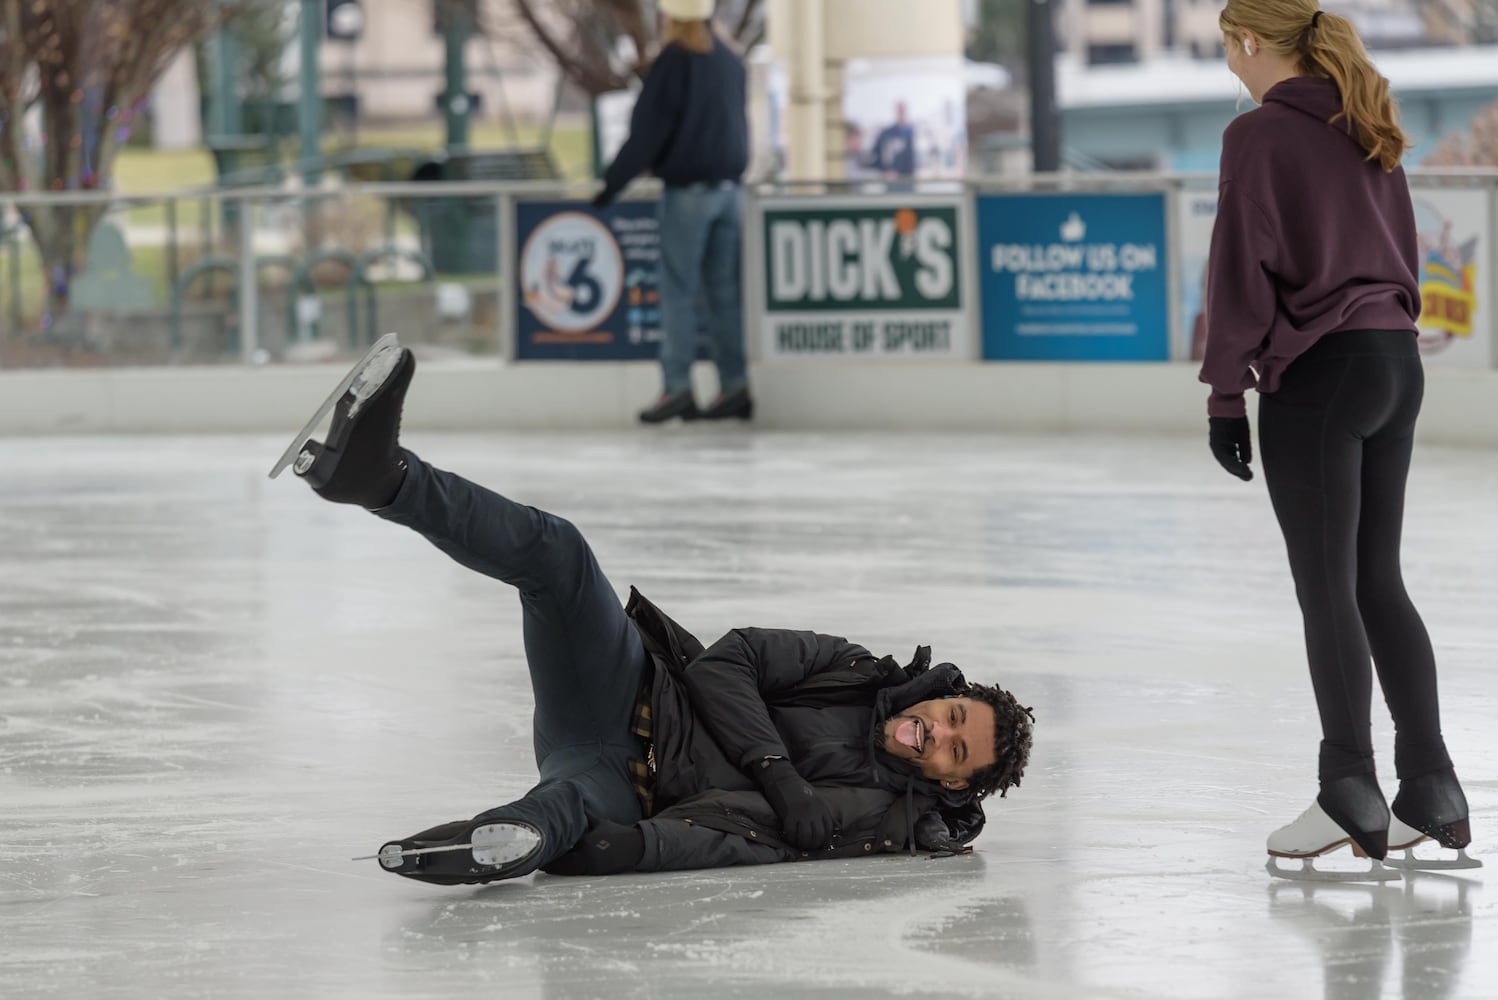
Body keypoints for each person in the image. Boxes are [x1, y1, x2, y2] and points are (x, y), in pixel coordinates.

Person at [272, 338, 1035, 886]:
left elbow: (758, 839)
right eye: (953, 714)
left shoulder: (890, 818)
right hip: (627, 687)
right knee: (559, 556)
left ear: (953, 782)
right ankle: (378, 477)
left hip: (628, 785)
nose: (938, 730)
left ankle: (491, 843)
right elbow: (724, 662)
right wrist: (777, 770)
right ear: (943, 692)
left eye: (954, 750)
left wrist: (637, 851)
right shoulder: (854, 669)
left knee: (564, 809)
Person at [1200, 0, 1478, 878]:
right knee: (1374, 580)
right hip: (1395, 363)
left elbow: (1238, 266)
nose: (1231, 69)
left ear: (1249, 42)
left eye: (1228, 52)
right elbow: (1400, 254)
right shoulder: (1367, 121)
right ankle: (1432, 785)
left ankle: (1348, 787)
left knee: (1328, 588)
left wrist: (1223, 393)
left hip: (1320, 375)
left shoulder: (1257, 137)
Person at [593, 0, 751, 425]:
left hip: (689, 194)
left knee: (678, 291)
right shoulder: (729, 62)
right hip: (731, 193)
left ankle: (677, 387)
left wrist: (611, 185)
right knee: (723, 294)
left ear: (670, 19)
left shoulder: (674, 63)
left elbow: (646, 133)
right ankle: (735, 385)